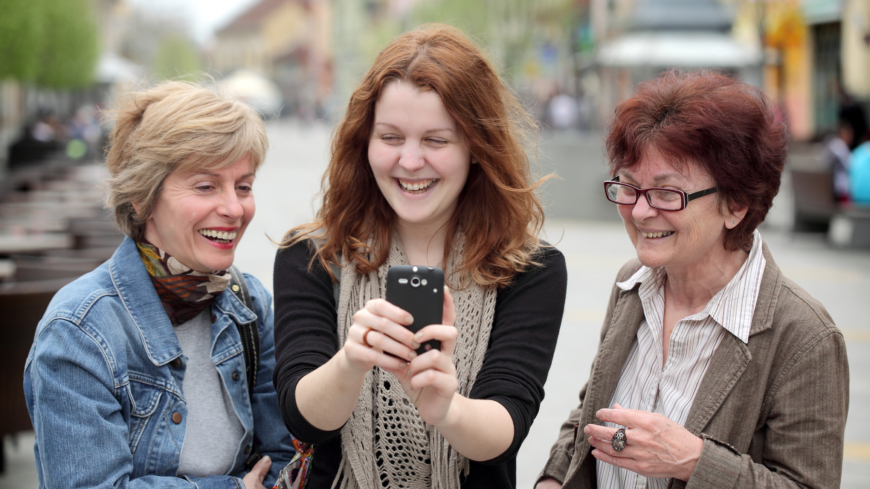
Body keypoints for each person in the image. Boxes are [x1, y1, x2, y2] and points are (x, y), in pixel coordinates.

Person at [272, 24, 568, 489]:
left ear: (477, 147)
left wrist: (448, 409)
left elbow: (508, 425)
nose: (410, 161)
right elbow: (300, 416)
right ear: (364, 142)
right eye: (390, 138)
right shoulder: (312, 255)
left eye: (436, 140)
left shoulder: (531, 268)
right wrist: (351, 362)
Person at [536, 70, 849, 489]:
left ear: (735, 204)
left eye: (667, 194)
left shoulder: (804, 337)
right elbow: (590, 412)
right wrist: (553, 479)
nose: (641, 211)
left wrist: (692, 460)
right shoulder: (632, 284)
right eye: (628, 187)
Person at [23, 81, 295, 488]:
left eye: (243, 186)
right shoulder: (78, 334)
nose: (234, 209)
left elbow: (284, 459)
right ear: (142, 197)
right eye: (206, 186)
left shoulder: (248, 303)